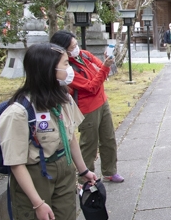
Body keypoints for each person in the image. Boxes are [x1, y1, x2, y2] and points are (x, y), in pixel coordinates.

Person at [0, 43, 97, 220]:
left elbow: (71, 136)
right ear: (48, 70)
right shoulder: (18, 112)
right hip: (34, 180)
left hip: (64, 174)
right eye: (65, 64)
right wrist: (37, 203)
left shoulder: (62, 99)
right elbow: (16, 164)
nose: (69, 68)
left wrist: (83, 171)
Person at [50, 31, 124, 183]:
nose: (77, 48)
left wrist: (105, 66)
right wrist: (103, 70)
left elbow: (101, 69)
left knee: (108, 138)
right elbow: (91, 86)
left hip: (102, 101)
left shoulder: (83, 55)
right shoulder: (67, 70)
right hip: (87, 108)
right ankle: (85, 177)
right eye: (73, 46)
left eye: (76, 44)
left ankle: (110, 171)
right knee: (89, 144)